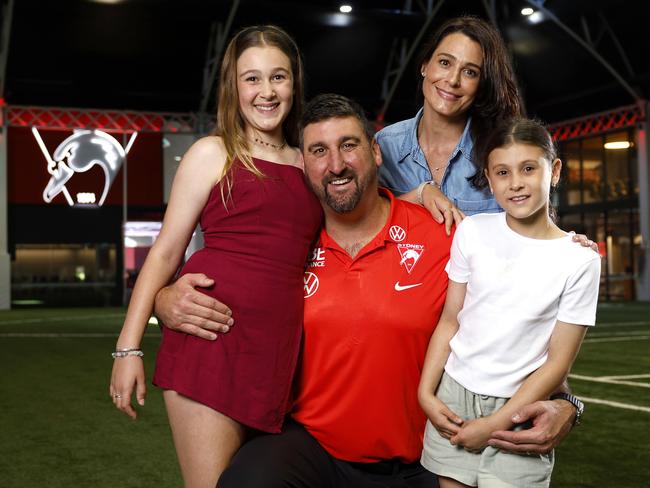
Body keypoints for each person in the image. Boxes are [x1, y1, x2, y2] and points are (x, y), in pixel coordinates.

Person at [154, 95, 581, 487]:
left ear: (375, 151)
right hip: (316, 449)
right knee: (247, 481)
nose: (336, 164)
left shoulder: (444, 235)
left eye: (349, 146)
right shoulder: (290, 245)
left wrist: (567, 403)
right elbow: (228, 291)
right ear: (303, 164)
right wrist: (164, 298)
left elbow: (517, 321)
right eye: (319, 151)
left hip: (426, 457)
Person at [109, 25, 322, 488]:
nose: (266, 92)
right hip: (210, 344)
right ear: (234, 85)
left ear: (294, 82)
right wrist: (128, 349)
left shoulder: (310, 160)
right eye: (252, 78)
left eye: (278, 77)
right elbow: (165, 252)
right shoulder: (213, 152)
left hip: (282, 357)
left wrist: (422, 193)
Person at [418, 118, 600, 488]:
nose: (515, 182)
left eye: (529, 168)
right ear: (489, 177)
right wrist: (425, 393)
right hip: (453, 395)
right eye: (502, 172)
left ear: (555, 171)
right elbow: (450, 321)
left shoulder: (580, 260)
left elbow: (557, 363)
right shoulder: (473, 231)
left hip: (519, 407)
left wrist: (493, 425)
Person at [376, 15, 522, 229]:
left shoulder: (499, 152)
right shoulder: (384, 145)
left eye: (470, 72)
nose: (453, 80)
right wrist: (418, 195)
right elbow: (362, 222)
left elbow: (531, 231)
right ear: (425, 66)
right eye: (445, 63)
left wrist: (570, 245)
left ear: (482, 85)